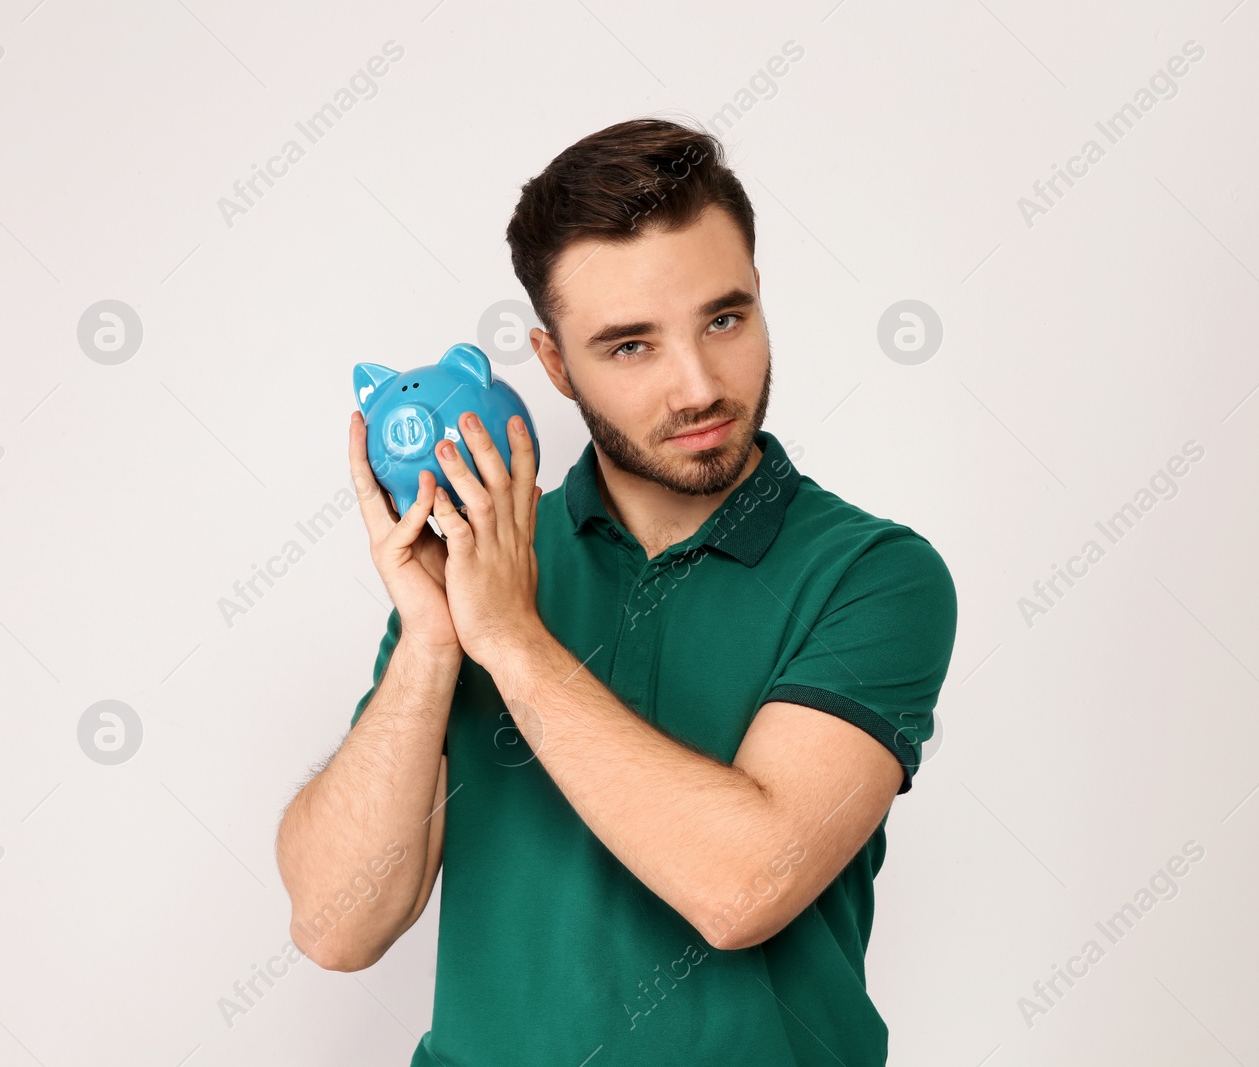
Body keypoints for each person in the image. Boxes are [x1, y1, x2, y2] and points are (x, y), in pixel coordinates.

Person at [275, 116, 959, 1066]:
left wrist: (511, 640)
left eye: (725, 319)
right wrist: (433, 643)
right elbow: (333, 925)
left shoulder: (874, 574)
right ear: (555, 364)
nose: (697, 385)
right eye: (631, 345)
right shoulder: (485, 563)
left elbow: (742, 887)